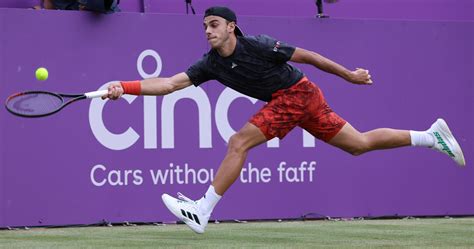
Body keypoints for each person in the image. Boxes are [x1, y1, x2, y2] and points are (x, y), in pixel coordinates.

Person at [103, 6, 466, 234]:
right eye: (204, 27)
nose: (208, 31)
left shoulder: (258, 44)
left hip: (298, 94)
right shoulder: (209, 64)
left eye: (214, 25)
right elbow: (169, 84)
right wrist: (125, 85)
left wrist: (349, 75)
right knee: (359, 144)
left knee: (238, 142)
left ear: (232, 27)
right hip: (299, 99)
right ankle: (431, 137)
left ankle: (201, 210)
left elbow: (308, 56)